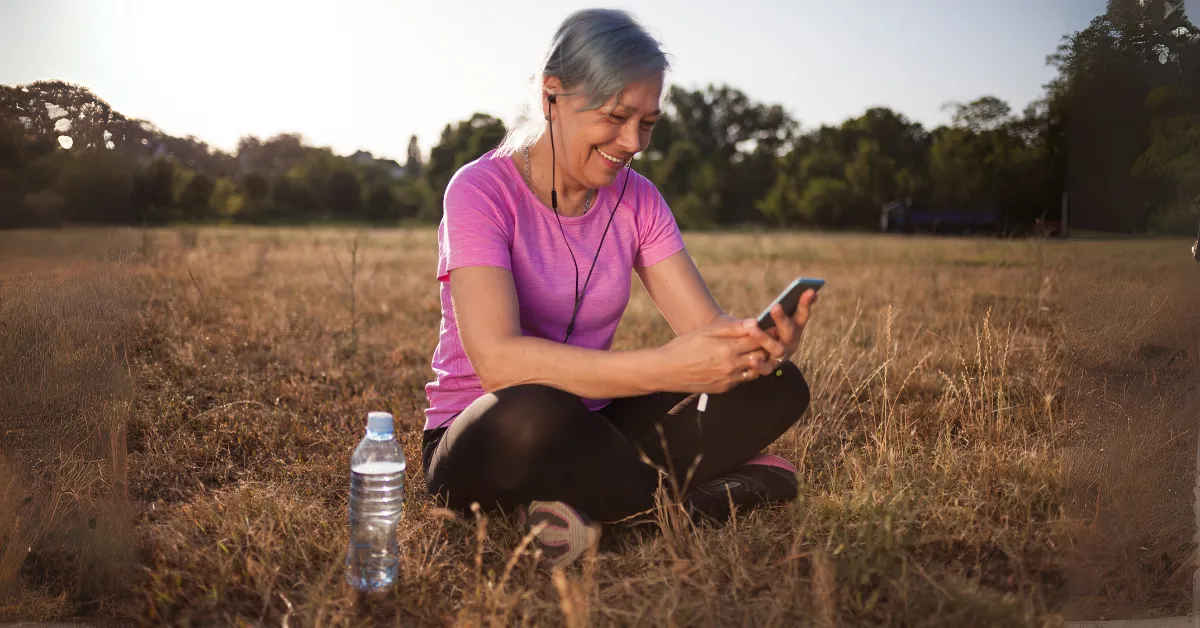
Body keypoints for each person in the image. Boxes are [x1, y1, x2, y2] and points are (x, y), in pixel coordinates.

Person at [421, 8, 818, 569]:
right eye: (616, 116)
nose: (634, 142)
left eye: (649, 122)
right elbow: (498, 364)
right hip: (490, 433)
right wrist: (668, 369)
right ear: (551, 97)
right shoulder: (479, 191)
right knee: (532, 411)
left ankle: (582, 509)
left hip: (594, 422)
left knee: (777, 385)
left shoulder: (639, 199)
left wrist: (750, 349)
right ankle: (712, 499)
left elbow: (704, 332)